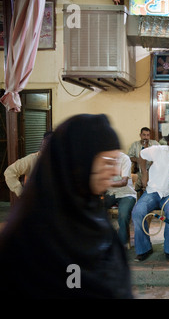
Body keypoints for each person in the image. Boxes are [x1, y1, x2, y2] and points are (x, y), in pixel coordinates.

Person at [0, 114, 132, 298]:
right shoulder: (36, 234)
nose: (113, 171)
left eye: (116, 161)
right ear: (80, 163)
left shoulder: (91, 212)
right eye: (107, 162)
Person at [131, 130, 169, 262]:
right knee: (138, 212)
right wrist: (144, 174)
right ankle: (144, 249)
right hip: (153, 191)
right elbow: (141, 155)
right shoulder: (158, 150)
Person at [4, 131, 52, 197]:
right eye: (44, 142)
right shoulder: (32, 159)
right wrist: (21, 192)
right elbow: (10, 172)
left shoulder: (61, 160)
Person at [103, 152, 137, 247]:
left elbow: (124, 182)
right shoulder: (103, 158)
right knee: (96, 209)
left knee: (123, 215)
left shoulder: (124, 158)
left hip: (126, 193)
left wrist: (106, 183)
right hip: (111, 193)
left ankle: (121, 244)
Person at [128, 127, 159, 197]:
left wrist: (154, 161)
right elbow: (129, 157)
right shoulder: (135, 145)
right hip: (139, 171)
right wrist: (138, 160)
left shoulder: (155, 144)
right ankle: (137, 200)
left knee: (152, 184)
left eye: (148, 135)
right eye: (144, 135)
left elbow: (161, 156)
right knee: (136, 183)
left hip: (153, 171)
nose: (146, 137)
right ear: (140, 135)